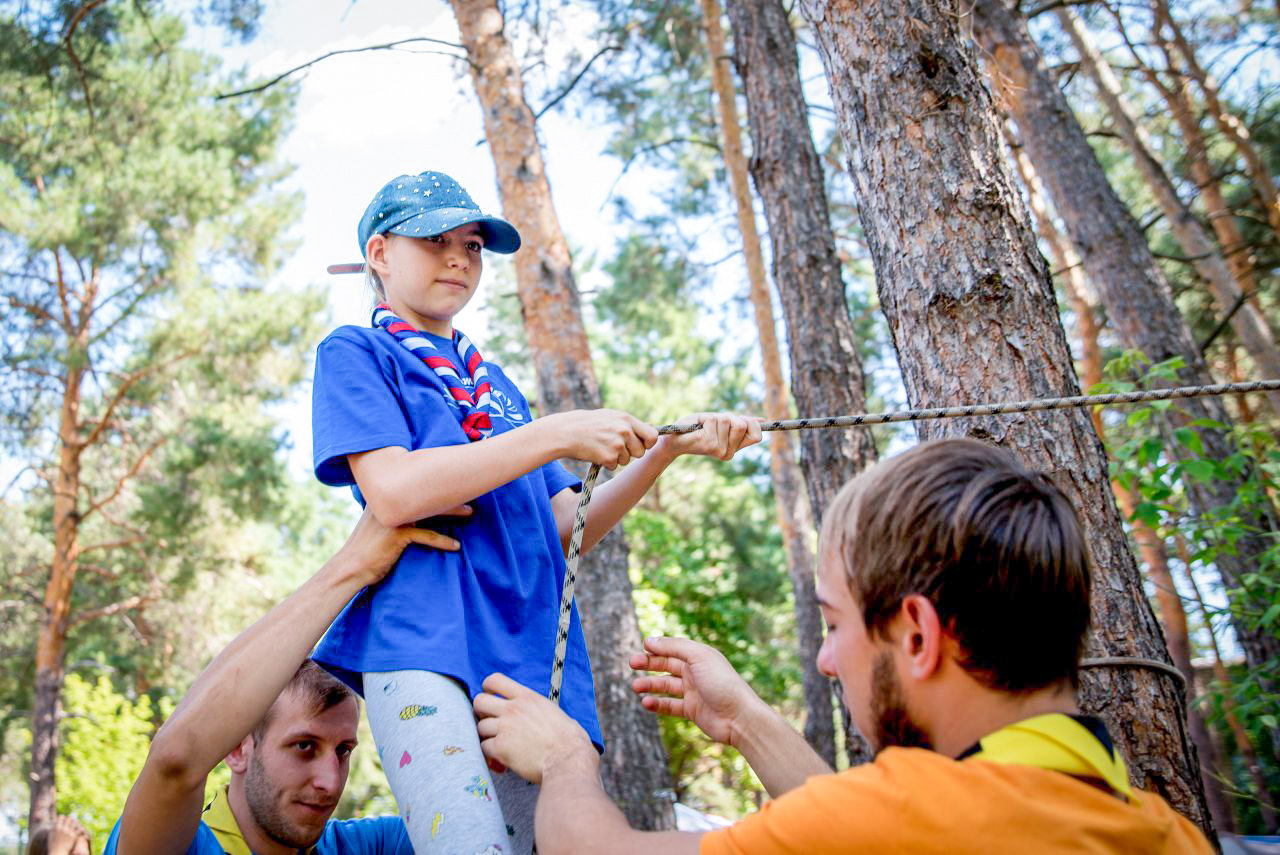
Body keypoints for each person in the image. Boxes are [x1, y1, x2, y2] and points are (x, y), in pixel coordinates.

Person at [472, 437, 1214, 854]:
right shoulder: (1166, 832)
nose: (827, 660)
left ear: (917, 635)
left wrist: (566, 761)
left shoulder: (919, 816)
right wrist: (744, 720)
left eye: (836, 624)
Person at [309, 169, 761, 853]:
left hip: (525, 654)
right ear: (379, 253)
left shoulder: (497, 389)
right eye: (434, 240)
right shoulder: (357, 352)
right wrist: (555, 432)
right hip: (424, 643)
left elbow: (562, 524)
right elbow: (394, 491)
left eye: (472, 245)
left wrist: (666, 453)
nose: (459, 257)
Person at [103, 509, 461, 855]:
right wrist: (353, 566)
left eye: (343, 751)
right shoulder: (182, 846)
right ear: (237, 748)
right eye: (304, 746)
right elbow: (176, 758)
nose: (330, 782)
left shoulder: (367, 847)